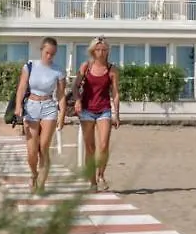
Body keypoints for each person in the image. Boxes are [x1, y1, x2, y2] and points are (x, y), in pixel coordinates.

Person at [13, 37, 66, 193]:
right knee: (31, 152)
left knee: (43, 147)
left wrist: (62, 114)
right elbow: (22, 87)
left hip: (49, 107)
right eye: (47, 52)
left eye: (53, 54)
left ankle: (41, 185)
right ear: (41, 50)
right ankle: (34, 174)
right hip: (31, 107)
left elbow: (61, 95)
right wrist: (18, 106)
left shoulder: (58, 70)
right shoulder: (30, 66)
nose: (49, 56)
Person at [75, 36, 119, 191]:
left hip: (104, 109)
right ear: (93, 51)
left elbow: (115, 93)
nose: (101, 52)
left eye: (104, 50)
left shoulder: (112, 70)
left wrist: (117, 114)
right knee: (90, 148)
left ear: (108, 51)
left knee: (104, 145)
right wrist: (78, 100)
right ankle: (92, 182)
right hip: (86, 110)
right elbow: (75, 86)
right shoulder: (86, 66)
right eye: (98, 49)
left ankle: (101, 175)